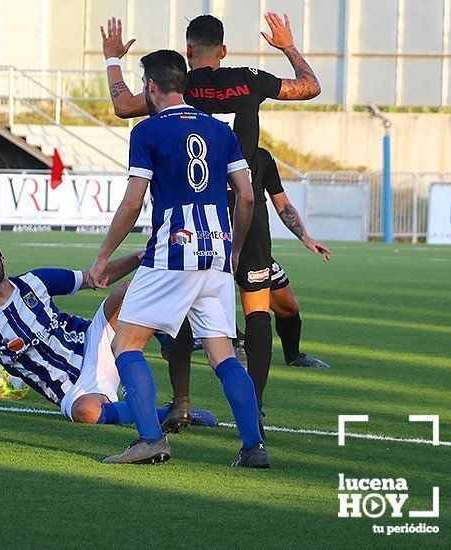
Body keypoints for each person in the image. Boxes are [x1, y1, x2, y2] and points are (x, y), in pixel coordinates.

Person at [100, 13, 321, 433]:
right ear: (223, 51)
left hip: (193, 208)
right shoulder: (250, 79)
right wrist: (287, 46)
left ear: (187, 51)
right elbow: (310, 87)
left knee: (178, 310)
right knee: (256, 306)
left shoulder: (180, 87)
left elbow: (122, 106)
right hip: (243, 200)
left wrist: (112, 59)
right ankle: (252, 412)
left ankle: (181, 401)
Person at [88, 50, 267, 467]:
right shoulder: (220, 130)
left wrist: (103, 257)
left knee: (126, 343)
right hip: (216, 252)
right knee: (221, 353)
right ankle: (253, 447)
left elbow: (134, 202)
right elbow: (245, 195)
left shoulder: (148, 131)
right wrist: (235, 246)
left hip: (173, 252)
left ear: (151, 86)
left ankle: (151, 440)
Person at [0, 236, 218, 427]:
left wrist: (140, 256)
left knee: (129, 292)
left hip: (93, 341)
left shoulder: (35, 282)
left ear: (2, 259)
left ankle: (171, 339)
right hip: (69, 389)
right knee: (86, 413)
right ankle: (171, 414)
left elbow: (95, 279)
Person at [255, 148, 331, 368]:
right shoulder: (210, 151)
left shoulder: (262, 158)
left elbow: (283, 204)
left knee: (288, 307)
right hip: (214, 243)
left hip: (255, 248)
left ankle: (293, 355)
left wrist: (305, 237)